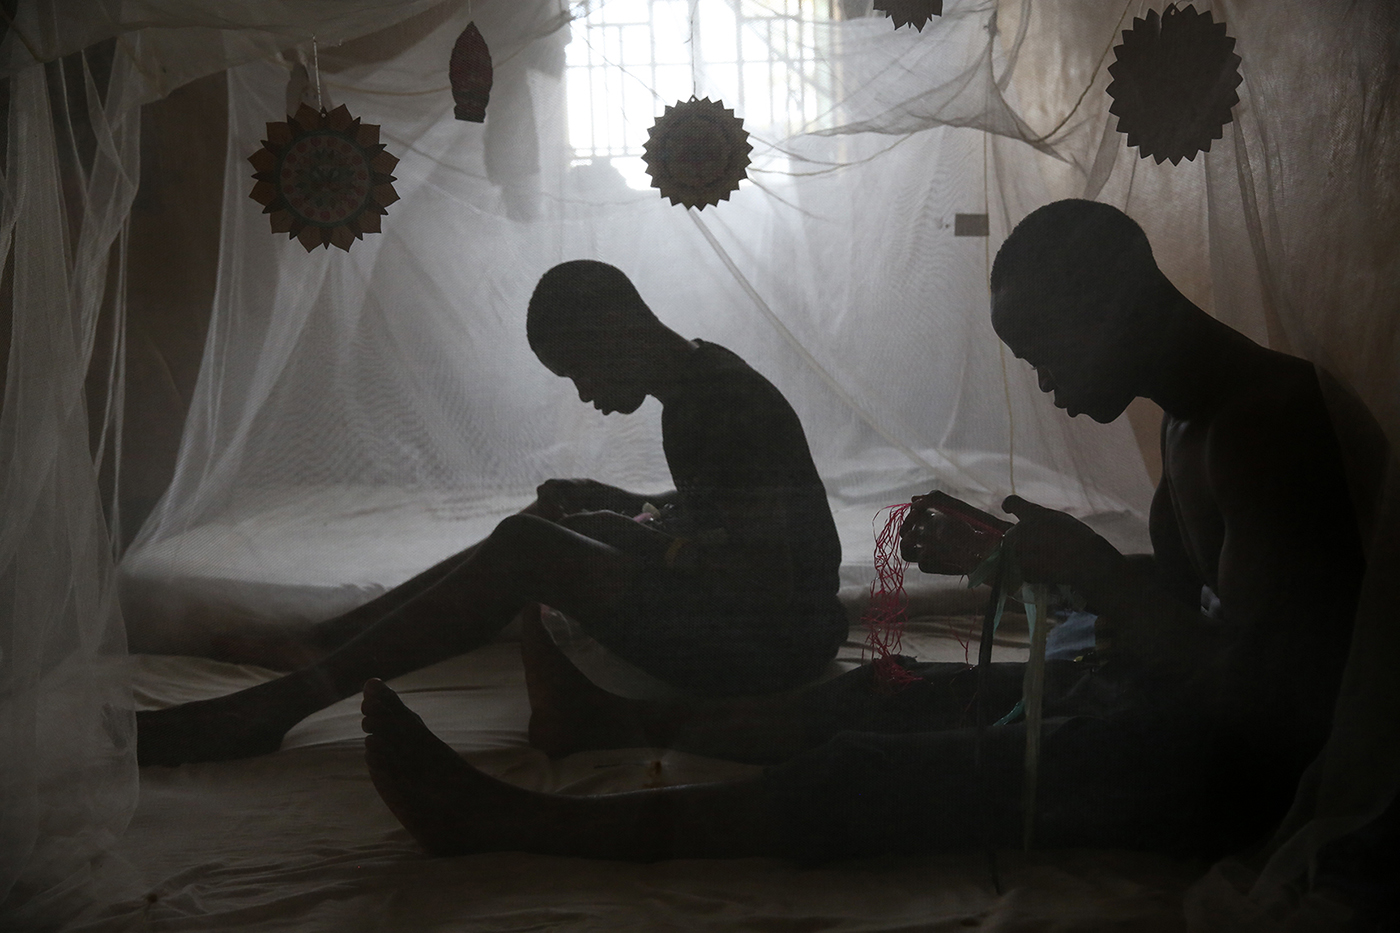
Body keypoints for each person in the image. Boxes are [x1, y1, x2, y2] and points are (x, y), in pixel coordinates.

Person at [360, 199, 1379, 863]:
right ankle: (618, 729)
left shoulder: (1264, 432)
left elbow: (1271, 717)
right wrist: (1043, 562)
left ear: (1108, 307)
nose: (1045, 385)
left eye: (1042, 351)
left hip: (1210, 773)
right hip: (1153, 697)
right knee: (888, 694)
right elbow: (1207, 602)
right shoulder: (1200, 417)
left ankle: (527, 826)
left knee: (872, 777)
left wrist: (1099, 581)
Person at [137, 260, 847, 765]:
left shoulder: (718, 403)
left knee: (526, 547)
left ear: (618, 329)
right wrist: (620, 504)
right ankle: (322, 645)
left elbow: (765, 575)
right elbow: (719, 515)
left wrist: (624, 537)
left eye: (580, 370)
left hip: (771, 645)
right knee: (544, 531)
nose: (585, 395)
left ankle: (284, 700)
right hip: (765, 624)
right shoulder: (700, 380)